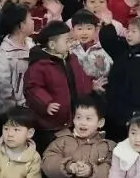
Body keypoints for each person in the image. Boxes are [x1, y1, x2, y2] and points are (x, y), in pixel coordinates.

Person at [24, 21, 95, 150]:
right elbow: (32, 88)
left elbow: (81, 78)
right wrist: (46, 103)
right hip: (51, 124)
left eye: (70, 40)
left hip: (73, 118)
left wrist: (91, 86)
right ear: (52, 44)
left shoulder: (71, 58)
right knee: (52, 151)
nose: (70, 43)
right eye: (67, 41)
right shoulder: (40, 65)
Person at [0, 4, 35, 114]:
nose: (33, 21)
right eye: (30, 19)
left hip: (33, 104)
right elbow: (3, 89)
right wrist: (13, 112)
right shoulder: (5, 55)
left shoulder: (31, 45)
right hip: (17, 111)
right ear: (22, 26)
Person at [69, 9, 113, 82]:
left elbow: (107, 74)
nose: (84, 33)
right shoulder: (69, 49)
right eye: (79, 29)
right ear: (73, 30)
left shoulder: (102, 49)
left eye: (89, 28)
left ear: (96, 30)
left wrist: (101, 66)